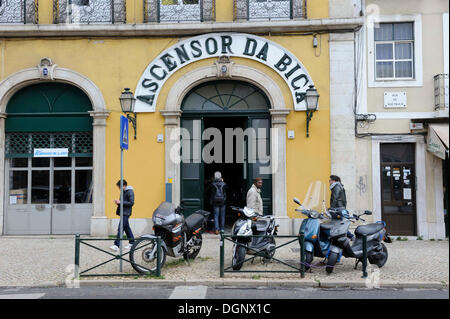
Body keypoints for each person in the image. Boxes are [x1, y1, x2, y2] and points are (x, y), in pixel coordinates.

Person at [110, 179, 135, 251]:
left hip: (126, 213)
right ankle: (132, 242)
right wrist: (118, 203)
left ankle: (116, 245)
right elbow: (123, 202)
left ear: (124, 185)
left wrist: (120, 202)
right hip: (123, 212)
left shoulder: (130, 192)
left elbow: (131, 203)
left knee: (120, 228)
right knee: (127, 228)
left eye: (120, 187)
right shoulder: (123, 191)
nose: (119, 188)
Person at [329, 175, 354, 240]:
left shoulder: (336, 186)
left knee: (338, 225)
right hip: (340, 207)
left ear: (333, 180)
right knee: (339, 225)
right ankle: (350, 236)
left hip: (337, 208)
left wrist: (332, 208)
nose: (329, 182)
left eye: (330, 180)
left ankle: (351, 236)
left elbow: (335, 198)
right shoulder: (339, 186)